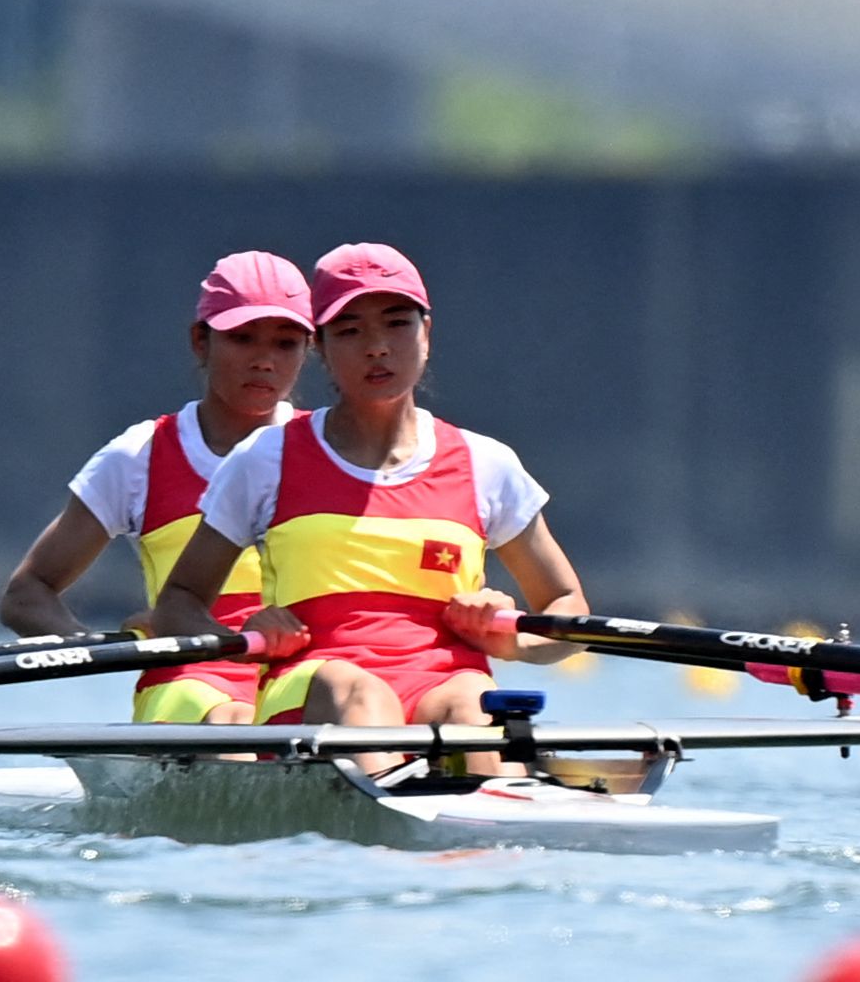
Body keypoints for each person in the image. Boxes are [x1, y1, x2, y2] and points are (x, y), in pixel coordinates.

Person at [151, 241, 588, 752]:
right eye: (350, 330)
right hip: (313, 683)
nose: (377, 347)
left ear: (428, 333)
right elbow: (178, 604)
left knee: (472, 703)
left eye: (396, 323)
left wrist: (512, 640)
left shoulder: (486, 463)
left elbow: (567, 610)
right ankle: (400, 810)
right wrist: (242, 642)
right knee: (359, 693)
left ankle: (480, 815)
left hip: (444, 679)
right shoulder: (264, 460)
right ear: (322, 348)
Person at [0, 249, 313, 724]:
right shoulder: (140, 456)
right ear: (200, 342)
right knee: (231, 720)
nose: (265, 361)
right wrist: (104, 647)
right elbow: (27, 595)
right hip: (190, 681)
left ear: (310, 350)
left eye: (286, 344)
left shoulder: (331, 451)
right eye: (243, 339)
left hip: (301, 675)